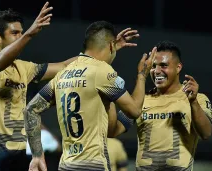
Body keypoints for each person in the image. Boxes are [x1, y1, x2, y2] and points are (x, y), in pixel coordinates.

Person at [23, 20, 157, 171]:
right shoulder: (102, 72)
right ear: (111, 45)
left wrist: (37, 155)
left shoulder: (62, 75)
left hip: (66, 165)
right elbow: (134, 111)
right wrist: (142, 75)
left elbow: (30, 109)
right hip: (93, 165)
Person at [0, 2, 76, 171]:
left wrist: (96, 53)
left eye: (21, 32)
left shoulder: (24, 68)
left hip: (18, 161)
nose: (20, 37)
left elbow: (63, 66)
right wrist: (29, 34)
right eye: (15, 33)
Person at [110, 40, 212, 171]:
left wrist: (193, 103)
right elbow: (114, 130)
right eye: (153, 66)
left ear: (178, 67)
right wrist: (109, 95)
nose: (157, 71)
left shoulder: (197, 98)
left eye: (163, 65)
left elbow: (206, 133)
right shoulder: (141, 100)